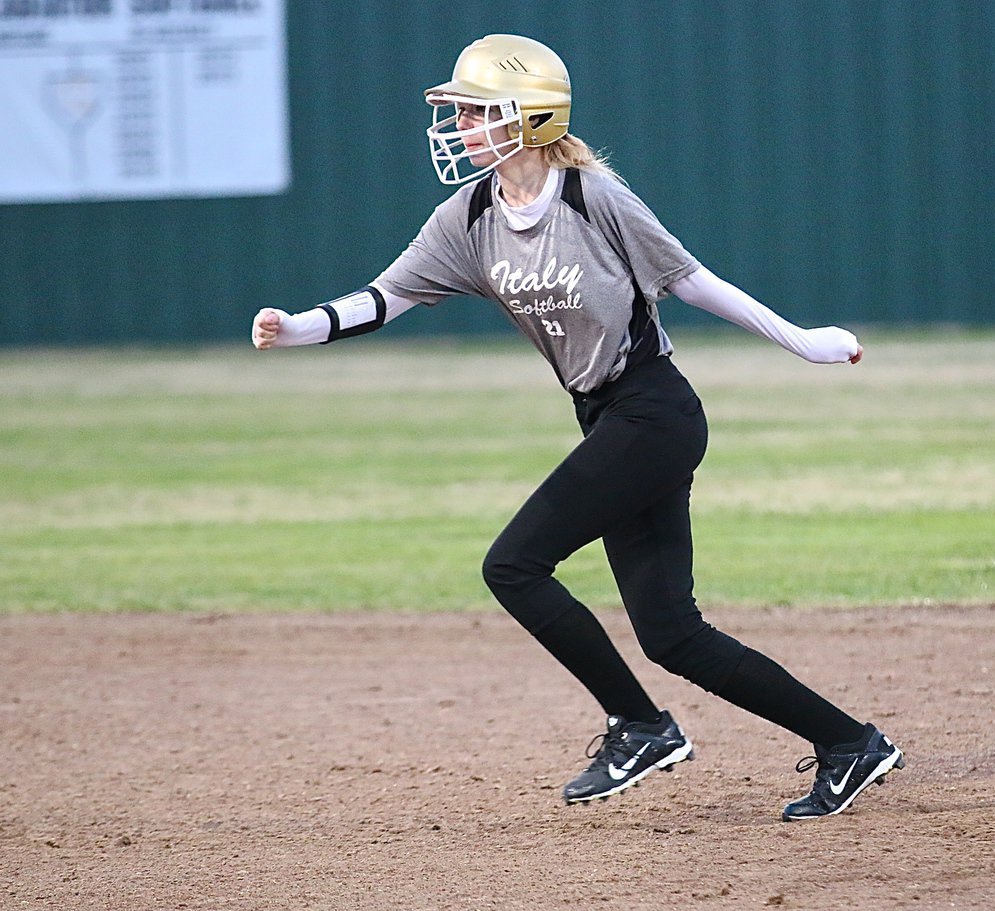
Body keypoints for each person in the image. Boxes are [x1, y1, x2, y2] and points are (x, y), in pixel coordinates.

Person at [251, 34, 903, 820]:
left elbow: (693, 282)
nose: (458, 126)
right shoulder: (470, 215)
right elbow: (385, 297)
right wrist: (296, 329)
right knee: (671, 634)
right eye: (457, 112)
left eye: (474, 111)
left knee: (513, 565)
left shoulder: (594, 197)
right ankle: (849, 743)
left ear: (528, 116)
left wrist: (805, 342)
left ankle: (639, 725)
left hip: (653, 411)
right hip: (608, 419)